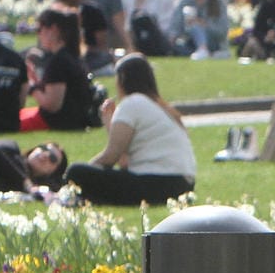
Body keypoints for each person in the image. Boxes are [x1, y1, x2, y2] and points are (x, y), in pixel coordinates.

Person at [65, 54, 195, 205]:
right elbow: (124, 162)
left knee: (77, 171)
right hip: (182, 185)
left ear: (122, 79)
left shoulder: (131, 103)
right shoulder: (158, 106)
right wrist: (110, 123)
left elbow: (110, 157)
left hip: (159, 182)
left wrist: (81, 173)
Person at [21, 8, 90, 132]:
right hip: (73, 119)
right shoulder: (72, 57)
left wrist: (32, 87)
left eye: (39, 30)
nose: (39, 35)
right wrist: (36, 81)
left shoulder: (59, 61)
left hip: (56, 122)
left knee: (7, 121)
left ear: (53, 29)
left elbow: (52, 105)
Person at [0, 138, 67, 195]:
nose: (45, 155)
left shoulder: (44, 190)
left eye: (53, 158)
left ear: (54, 172)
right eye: (44, 148)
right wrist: (26, 183)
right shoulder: (11, 149)